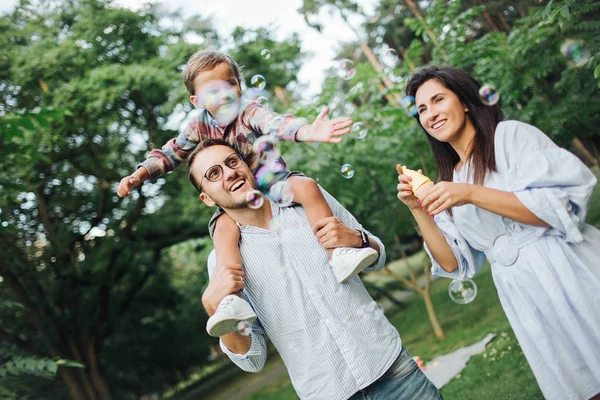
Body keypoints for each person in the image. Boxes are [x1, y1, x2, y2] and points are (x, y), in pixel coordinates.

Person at [116, 50, 378, 337]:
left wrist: (307, 131)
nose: (226, 93)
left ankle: (338, 253)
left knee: (305, 186)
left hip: (270, 179)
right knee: (223, 228)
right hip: (235, 196)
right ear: (197, 100)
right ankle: (231, 302)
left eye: (231, 83)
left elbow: (276, 123)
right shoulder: (196, 126)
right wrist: (141, 173)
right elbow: (172, 153)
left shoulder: (249, 111)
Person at [395, 65, 600, 400]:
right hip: (522, 292)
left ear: (463, 101)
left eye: (437, 100)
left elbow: (553, 209)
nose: (430, 114)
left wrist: (472, 194)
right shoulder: (453, 178)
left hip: (565, 267)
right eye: (421, 109)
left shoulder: (510, 137)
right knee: (579, 385)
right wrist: (417, 208)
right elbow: (451, 263)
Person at [190, 138, 443, 400]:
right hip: (327, 392)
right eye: (214, 173)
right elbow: (252, 361)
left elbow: (377, 256)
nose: (229, 173)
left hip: (391, 367)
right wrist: (213, 307)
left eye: (232, 162)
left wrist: (359, 240)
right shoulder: (221, 261)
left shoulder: (306, 202)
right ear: (207, 198)